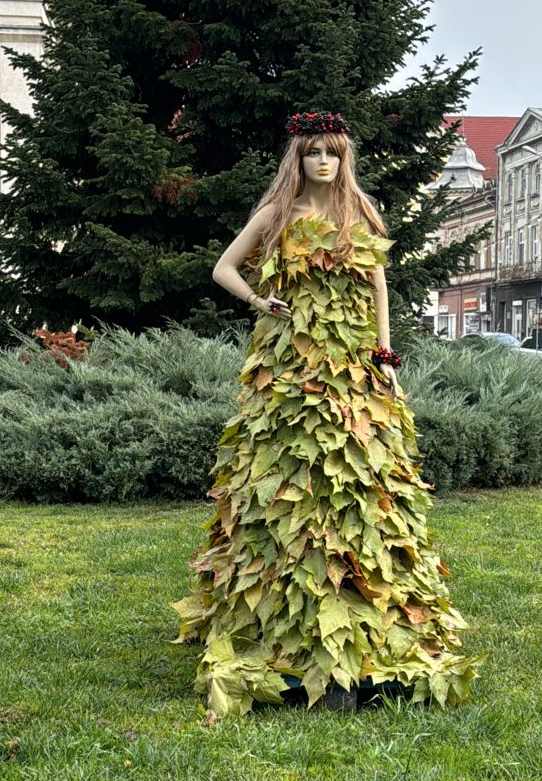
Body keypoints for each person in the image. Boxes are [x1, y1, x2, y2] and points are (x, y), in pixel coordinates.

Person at [175, 111, 476, 718]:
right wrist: (260, 299)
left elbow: (379, 289)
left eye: (332, 154)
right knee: (286, 478)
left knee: (360, 476)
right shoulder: (278, 216)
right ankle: (277, 623)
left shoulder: (358, 215)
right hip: (287, 367)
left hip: (352, 364)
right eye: (313, 152)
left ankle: (365, 621)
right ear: (298, 158)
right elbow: (222, 268)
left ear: (343, 161)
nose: (323, 162)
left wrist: (385, 356)